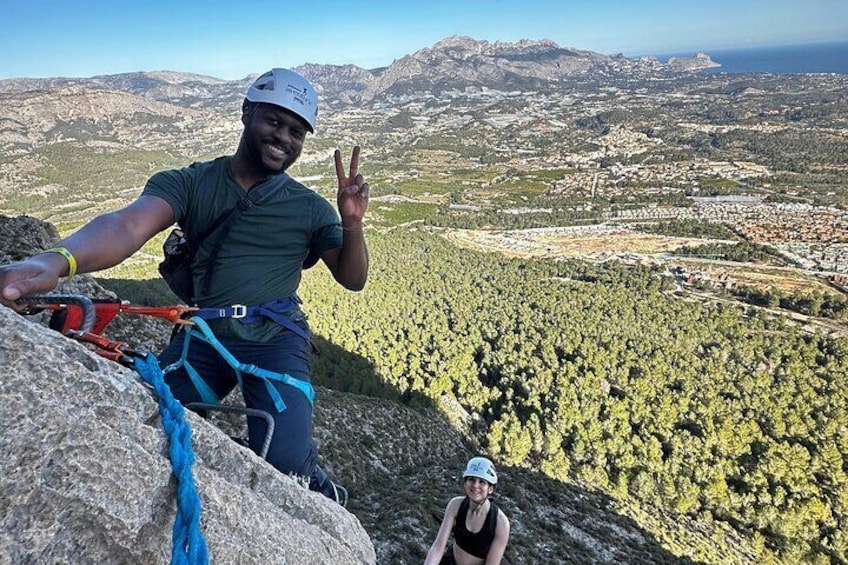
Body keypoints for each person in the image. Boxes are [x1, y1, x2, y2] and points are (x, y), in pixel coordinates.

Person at [0, 68, 368, 503]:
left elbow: (352, 278)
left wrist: (352, 224)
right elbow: (127, 224)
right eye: (273, 120)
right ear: (246, 113)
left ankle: (325, 489)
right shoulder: (192, 183)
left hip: (274, 339)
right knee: (145, 422)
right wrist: (58, 260)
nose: (283, 138)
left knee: (287, 467)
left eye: (296, 131)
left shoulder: (309, 208)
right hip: (205, 335)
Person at [425, 457, 511, 565]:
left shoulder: (500, 524)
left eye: (482, 482)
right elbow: (438, 546)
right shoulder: (456, 505)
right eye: (471, 479)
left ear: (490, 488)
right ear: (465, 483)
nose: (475, 486)